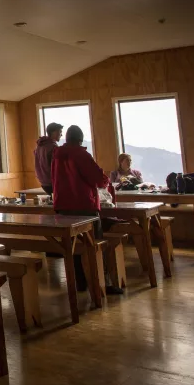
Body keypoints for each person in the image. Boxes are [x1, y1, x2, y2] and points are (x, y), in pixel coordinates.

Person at [51, 125, 123, 295]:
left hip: (62, 205)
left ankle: (80, 282)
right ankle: (100, 284)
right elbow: (99, 179)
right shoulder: (81, 154)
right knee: (93, 246)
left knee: (74, 246)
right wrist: (105, 179)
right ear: (80, 139)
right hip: (83, 205)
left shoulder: (57, 155)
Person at [34, 122, 63, 195]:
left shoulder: (39, 146)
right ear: (53, 132)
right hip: (52, 182)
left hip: (43, 182)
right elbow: (57, 166)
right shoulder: (53, 148)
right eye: (60, 132)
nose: (61, 134)